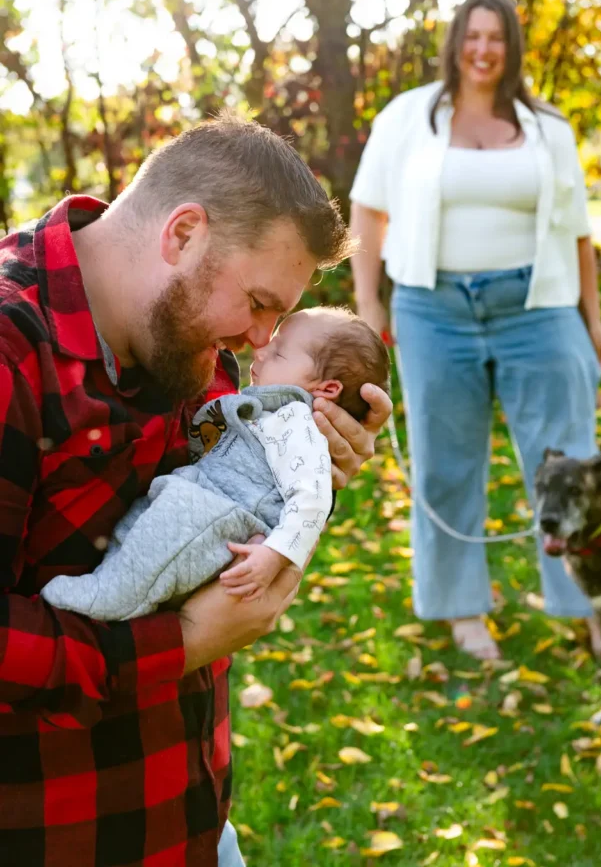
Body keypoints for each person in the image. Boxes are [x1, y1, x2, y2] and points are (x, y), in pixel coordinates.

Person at [0, 113, 392, 867]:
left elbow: (214, 509)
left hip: (192, 818)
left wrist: (306, 473)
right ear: (182, 234)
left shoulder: (190, 336)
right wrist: (179, 646)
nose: (259, 342)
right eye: (259, 303)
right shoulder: (15, 353)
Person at [350, 0, 601, 663]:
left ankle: (585, 601)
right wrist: (369, 303)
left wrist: (593, 317)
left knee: (567, 461)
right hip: (433, 311)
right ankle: (461, 609)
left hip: (538, 307)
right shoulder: (408, 117)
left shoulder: (547, 126)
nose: (483, 49)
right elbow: (367, 212)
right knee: (445, 465)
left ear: (511, 47)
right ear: (455, 43)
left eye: (496, 38)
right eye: (473, 36)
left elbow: (577, 230)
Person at [41, 308, 390, 617]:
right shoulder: (269, 409)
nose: (262, 348)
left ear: (327, 389)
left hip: (226, 512)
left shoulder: (298, 422)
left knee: (169, 530)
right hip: (206, 493)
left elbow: (311, 500)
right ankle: (112, 576)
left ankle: (111, 598)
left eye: (280, 352)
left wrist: (277, 554)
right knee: (147, 523)